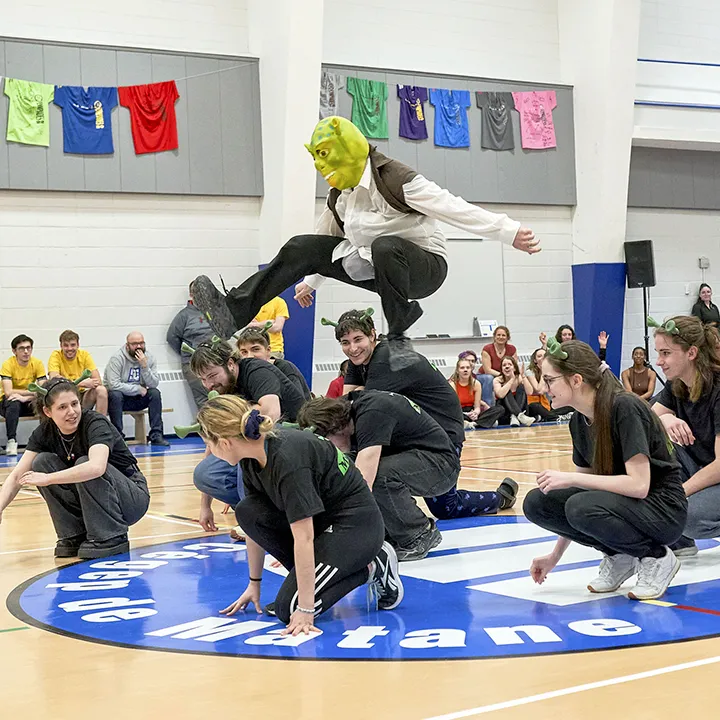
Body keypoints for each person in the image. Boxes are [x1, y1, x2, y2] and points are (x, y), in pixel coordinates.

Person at [190, 116, 538, 369]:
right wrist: (310, 282)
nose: (322, 168)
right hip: (375, 267)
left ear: (349, 150)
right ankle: (234, 310)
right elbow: (323, 238)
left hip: (424, 268)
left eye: (326, 157)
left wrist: (507, 232)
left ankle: (399, 332)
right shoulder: (340, 196)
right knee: (300, 246)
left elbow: (452, 207)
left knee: (387, 245)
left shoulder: (396, 179)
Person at [195, 394, 404, 632]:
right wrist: (254, 584)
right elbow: (253, 525)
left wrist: (305, 609)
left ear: (224, 443)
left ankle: (375, 565)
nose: (210, 452)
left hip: (355, 528)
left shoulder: (287, 458)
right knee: (247, 511)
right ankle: (318, 578)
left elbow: (303, 537)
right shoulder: (251, 458)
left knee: (290, 608)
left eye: (209, 445)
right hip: (323, 524)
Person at [524, 338, 687, 601]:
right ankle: (619, 554)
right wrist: (554, 557)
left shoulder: (624, 407)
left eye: (550, 380)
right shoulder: (579, 421)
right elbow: (583, 489)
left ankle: (655, 557)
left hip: (662, 511)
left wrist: (570, 477)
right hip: (627, 506)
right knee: (537, 502)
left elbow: (639, 485)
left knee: (581, 505)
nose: (544, 388)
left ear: (576, 380)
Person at [332, 309, 518, 518]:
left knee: (443, 506)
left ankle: (408, 525)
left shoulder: (385, 359)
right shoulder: (363, 359)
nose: (353, 348)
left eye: (358, 339)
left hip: (443, 436)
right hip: (420, 431)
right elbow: (347, 404)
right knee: (445, 506)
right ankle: (500, 497)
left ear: (373, 334)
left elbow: (361, 408)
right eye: (345, 343)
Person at [298, 392, 518, 562]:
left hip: (441, 465)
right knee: (366, 474)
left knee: (379, 476)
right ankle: (395, 530)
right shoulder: (347, 410)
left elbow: (362, 483)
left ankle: (419, 533)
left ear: (337, 428)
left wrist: (329, 535)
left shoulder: (371, 414)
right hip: (419, 459)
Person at [0, 376, 150, 559]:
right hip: (95, 496)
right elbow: (17, 476)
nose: (71, 412)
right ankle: (73, 534)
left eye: (74, 404)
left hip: (132, 498)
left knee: (84, 462)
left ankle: (111, 534)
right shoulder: (44, 432)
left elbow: (96, 467)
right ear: (48, 411)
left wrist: (47, 479)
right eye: (62, 407)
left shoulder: (95, 423)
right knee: (41, 462)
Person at [186, 338, 306, 532]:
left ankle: (255, 518)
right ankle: (265, 512)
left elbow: (271, 413)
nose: (208, 385)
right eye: (203, 379)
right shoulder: (222, 389)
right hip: (260, 441)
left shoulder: (257, 371)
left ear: (231, 364)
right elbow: (214, 440)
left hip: (292, 436)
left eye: (212, 375)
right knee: (204, 474)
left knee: (243, 447)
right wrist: (205, 506)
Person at [651, 315, 720, 556]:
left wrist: (678, 495)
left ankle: (682, 525)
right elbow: (645, 423)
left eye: (666, 353)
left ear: (691, 353)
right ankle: (679, 541)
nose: (659, 361)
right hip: (702, 466)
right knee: (650, 447)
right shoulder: (677, 384)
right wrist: (665, 418)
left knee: (684, 515)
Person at [104, 332, 170, 447]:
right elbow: (113, 384)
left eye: (141, 343)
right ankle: (118, 438)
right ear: (127, 345)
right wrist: (138, 389)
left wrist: (144, 367)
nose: (139, 347)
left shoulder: (149, 358)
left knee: (154, 393)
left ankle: (156, 435)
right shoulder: (117, 358)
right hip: (120, 400)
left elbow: (154, 383)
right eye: (135, 344)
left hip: (138, 399)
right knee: (115, 394)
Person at [166, 281, 214, 409]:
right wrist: (189, 354)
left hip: (216, 362)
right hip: (193, 365)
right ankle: (207, 428)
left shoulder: (216, 313)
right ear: (191, 295)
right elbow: (172, 337)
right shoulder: (184, 316)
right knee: (204, 402)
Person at [0, 334, 46, 456]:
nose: (26, 351)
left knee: (45, 402)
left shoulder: (37, 363)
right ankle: (12, 441)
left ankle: (46, 440)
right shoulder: (8, 364)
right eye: (21, 348)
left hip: (28, 401)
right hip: (8, 404)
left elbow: (43, 390)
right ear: (14, 351)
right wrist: (31, 393)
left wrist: (25, 397)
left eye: (28, 348)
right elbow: (8, 392)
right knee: (13, 401)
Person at [234, 327, 311, 399]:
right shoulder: (241, 374)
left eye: (255, 349)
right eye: (244, 352)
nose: (249, 356)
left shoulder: (285, 369)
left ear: (268, 350)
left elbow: (299, 405)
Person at [48, 330, 108, 416]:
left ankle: (100, 425)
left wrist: (73, 383)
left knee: (101, 390)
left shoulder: (84, 355)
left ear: (78, 345)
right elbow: (54, 379)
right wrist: (81, 383)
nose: (69, 349)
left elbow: (97, 381)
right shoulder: (56, 355)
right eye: (66, 345)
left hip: (82, 396)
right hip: (64, 395)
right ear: (61, 346)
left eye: (73, 345)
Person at [448, 357, 504, 429]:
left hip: (472, 412)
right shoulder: (453, 385)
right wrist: (466, 414)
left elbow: (477, 406)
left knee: (500, 409)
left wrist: (475, 413)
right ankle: (485, 422)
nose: (465, 370)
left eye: (468, 368)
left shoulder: (476, 384)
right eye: (462, 368)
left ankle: (474, 424)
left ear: (471, 370)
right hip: (459, 412)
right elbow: (453, 408)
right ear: (457, 371)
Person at [525, 347, 573, 422]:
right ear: (535, 360)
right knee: (536, 406)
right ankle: (556, 417)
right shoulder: (529, 372)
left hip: (548, 403)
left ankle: (551, 416)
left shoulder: (551, 371)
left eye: (544, 356)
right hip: (533, 405)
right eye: (539, 356)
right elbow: (539, 390)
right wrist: (542, 371)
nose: (542, 358)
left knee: (568, 404)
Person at [493, 356, 535, 426]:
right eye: (504, 365)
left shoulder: (519, 378)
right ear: (501, 369)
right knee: (506, 390)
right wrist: (511, 380)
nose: (507, 367)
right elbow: (500, 395)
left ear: (515, 368)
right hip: (505, 414)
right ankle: (518, 416)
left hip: (521, 411)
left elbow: (530, 392)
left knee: (521, 387)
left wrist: (523, 376)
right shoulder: (497, 380)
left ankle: (516, 416)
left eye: (510, 364)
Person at [541, 327, 609, 361]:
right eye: (564, 335)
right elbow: (545, 360)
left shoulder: (578, 348)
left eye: (569, 334)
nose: (567, 337)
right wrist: (544, 344)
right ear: (560, 336)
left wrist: (602, 346)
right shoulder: (555, 350)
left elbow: (596, 363)